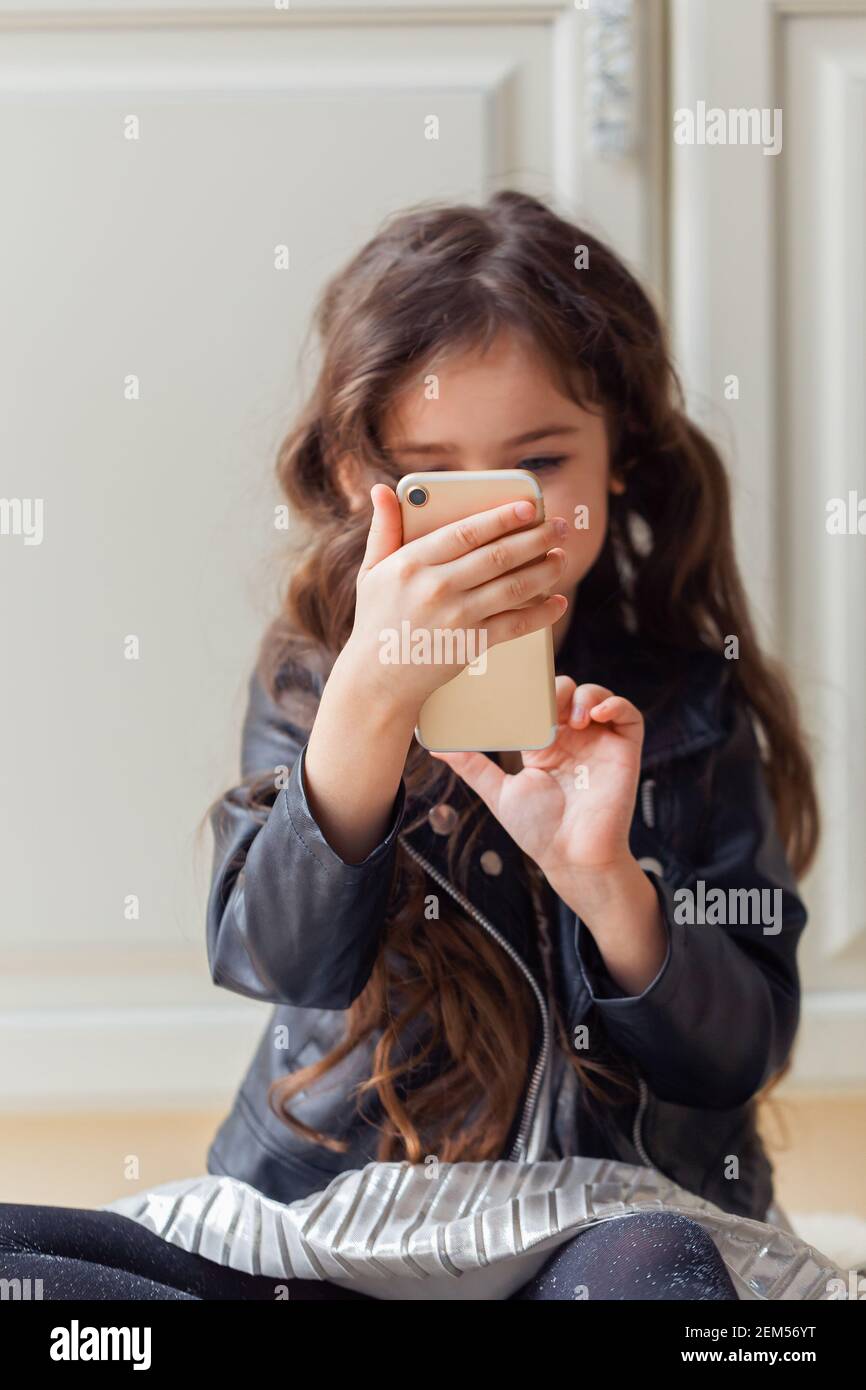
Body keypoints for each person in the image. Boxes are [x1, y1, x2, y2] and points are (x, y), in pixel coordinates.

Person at [0, 190, 819, 1300]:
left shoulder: (684, 699)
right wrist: (366, 709)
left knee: (658, 1279)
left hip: (600, 1218)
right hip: (337, 1223)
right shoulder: (314, 674)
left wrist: (607, 885)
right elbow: (275, 960)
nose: (494, 528)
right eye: (435, 482)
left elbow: (737, 1049)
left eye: (537, 467)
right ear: (354, 480)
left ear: (617, 455)